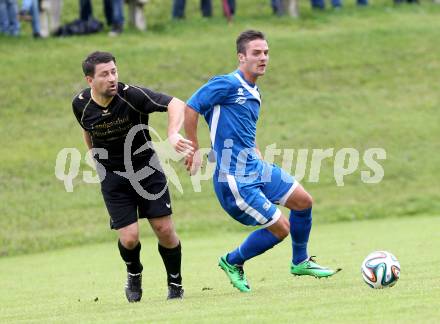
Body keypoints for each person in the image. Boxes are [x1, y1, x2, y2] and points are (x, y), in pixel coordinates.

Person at [184, 30, 340, 292]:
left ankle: (300, 261)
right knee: (281, 229)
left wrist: (256, 152)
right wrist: (193, 148)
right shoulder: (226, 84)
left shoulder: (254, 91)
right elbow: (191, 107)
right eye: (256, 53)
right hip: (233, 177)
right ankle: (232, 261)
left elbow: (243, 129)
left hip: (255, 167)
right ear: (241, 57)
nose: (263, 58)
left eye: (266, 52)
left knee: (303, 202)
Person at [72, 51, 193, 301]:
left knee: (164, 229)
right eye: (104, 74)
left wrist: (172, 133)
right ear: (89, 80)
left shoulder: (132, 96)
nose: (112, 78)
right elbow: (88, 131)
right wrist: (94, 157)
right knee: (129, 238)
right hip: (113, 176)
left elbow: (175, 103)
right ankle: (134, 273)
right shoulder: (80, 104)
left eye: (114, 71)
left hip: (147, 170)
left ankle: (175, 283)